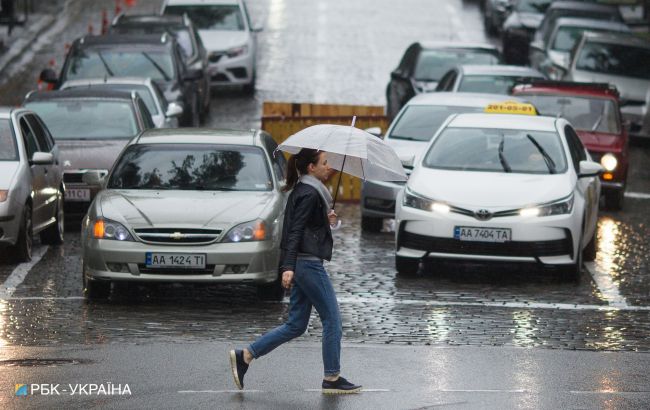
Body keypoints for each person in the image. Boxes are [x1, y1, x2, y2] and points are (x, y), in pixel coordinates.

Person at [229, 148, 362, 394]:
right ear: (311, 167)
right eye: (324, 162)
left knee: (296, 325)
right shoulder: (310, 194)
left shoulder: (305, 191)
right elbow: (294, 232)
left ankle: (245, 355)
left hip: (303, 263)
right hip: (308, 264)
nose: (328, 166)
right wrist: (288, 266)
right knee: (332, 319)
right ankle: (332, 378)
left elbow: (306, 228)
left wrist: (329, 221)